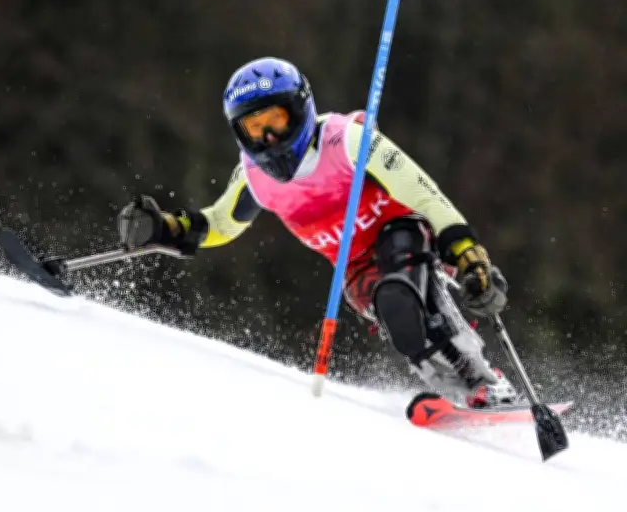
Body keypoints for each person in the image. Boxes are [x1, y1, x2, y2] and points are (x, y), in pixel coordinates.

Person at [116, 56, 517, 409]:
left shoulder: (348, 140)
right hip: (357, 264)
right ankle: (460, 392)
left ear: (300, 108)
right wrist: (166, 228)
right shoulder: (255, 178)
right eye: (254, 128)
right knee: (399, 314)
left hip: (402, 229)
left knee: (403, 278)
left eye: (276, 120)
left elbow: (427, 197)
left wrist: (467, 255)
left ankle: (484, 381)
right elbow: (218, 223)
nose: (268, 139)